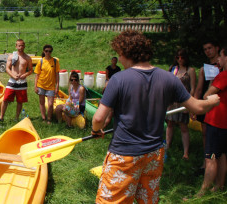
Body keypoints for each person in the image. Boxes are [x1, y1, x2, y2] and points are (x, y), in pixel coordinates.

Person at [91, 30, 219, 204]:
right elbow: (197, 106)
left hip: (125, 155)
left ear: (128, 53)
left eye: (120, 55)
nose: (119, 59)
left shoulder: (118, 79)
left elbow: (98, 119)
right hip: (154, 154)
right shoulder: (169, 78)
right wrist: (212, 100)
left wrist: (95, 130)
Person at [196, 42, 227, 197]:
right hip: (224, 123)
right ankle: (219, 187)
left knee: (211, 157)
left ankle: (202, 193)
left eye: (221, 56)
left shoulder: (223, 75)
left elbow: (207, 95)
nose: (219, 60)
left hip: (217, 120)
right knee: (221, 155)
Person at [194, 40, 221, 171]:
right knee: (205, 133)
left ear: (217, 48)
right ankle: (206, 161)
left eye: (210, 48)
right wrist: (194, 105)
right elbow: (199, 89)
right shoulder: (203, 69)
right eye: (205, 49)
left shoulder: (223, 66)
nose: (208, 51)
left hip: (220, 104)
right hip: (206, 103)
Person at [166, 49, 196, 160]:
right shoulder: (172, 69)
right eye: (177, 57)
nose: (180, 59)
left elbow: (193, 88)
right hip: (172, 101)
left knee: (183, 126)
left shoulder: (190, 70)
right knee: (170, 124)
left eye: (182, 57)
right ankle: (168, 146)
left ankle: (186, 153)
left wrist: (189, 104)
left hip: (184, 101)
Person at [0, 39, 33, 122]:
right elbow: (7, 68)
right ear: (16, 46)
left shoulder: (27, 58)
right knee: (5, 99)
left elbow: (30, 70)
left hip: (22, 82)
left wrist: (25, 75)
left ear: (24, 46)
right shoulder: (11, 56)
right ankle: (1, 117)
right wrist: (13, 76)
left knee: (20, 101)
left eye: (22, 45)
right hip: (12, 81)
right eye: (19, 45)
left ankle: (16, 118)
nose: (20, 47)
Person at [34, 45, 60, 124]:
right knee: (42, 102)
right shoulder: (41, 61)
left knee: (50, 104)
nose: (48, 53)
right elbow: (37, 75)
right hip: (41, 85)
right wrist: (35, 86)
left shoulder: (55, 61)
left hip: (51, 86)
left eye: (49, 51)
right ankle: (43, 118)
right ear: (44, 51)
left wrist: (57, 86)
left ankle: (49, 119)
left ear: (51, 52)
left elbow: (57, 74)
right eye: (46, 51)